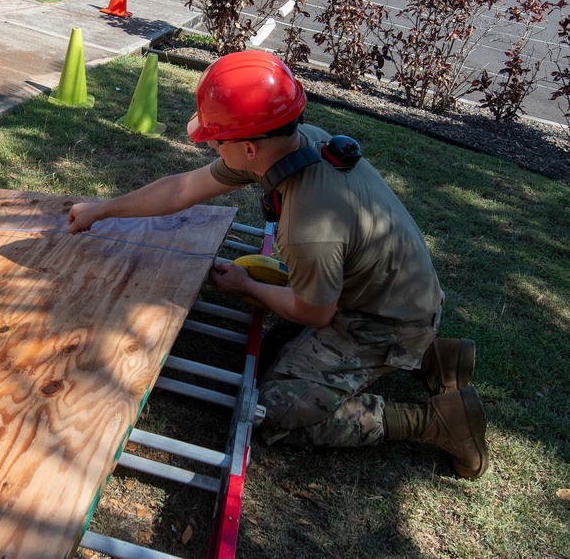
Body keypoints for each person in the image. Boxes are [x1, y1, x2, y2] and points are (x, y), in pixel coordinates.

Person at [67, 50, 488, 480]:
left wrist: (248, 287)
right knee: (277, 350)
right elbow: (182, 188)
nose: (212, 146)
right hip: (387, 294)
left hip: (379, 320)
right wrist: (103, 209)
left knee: (275, 409)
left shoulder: (309, 224)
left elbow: (314, 312)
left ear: (248, 148)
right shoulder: (297, 144)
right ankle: (438, 360)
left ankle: (437, 420)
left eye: (216, 140)